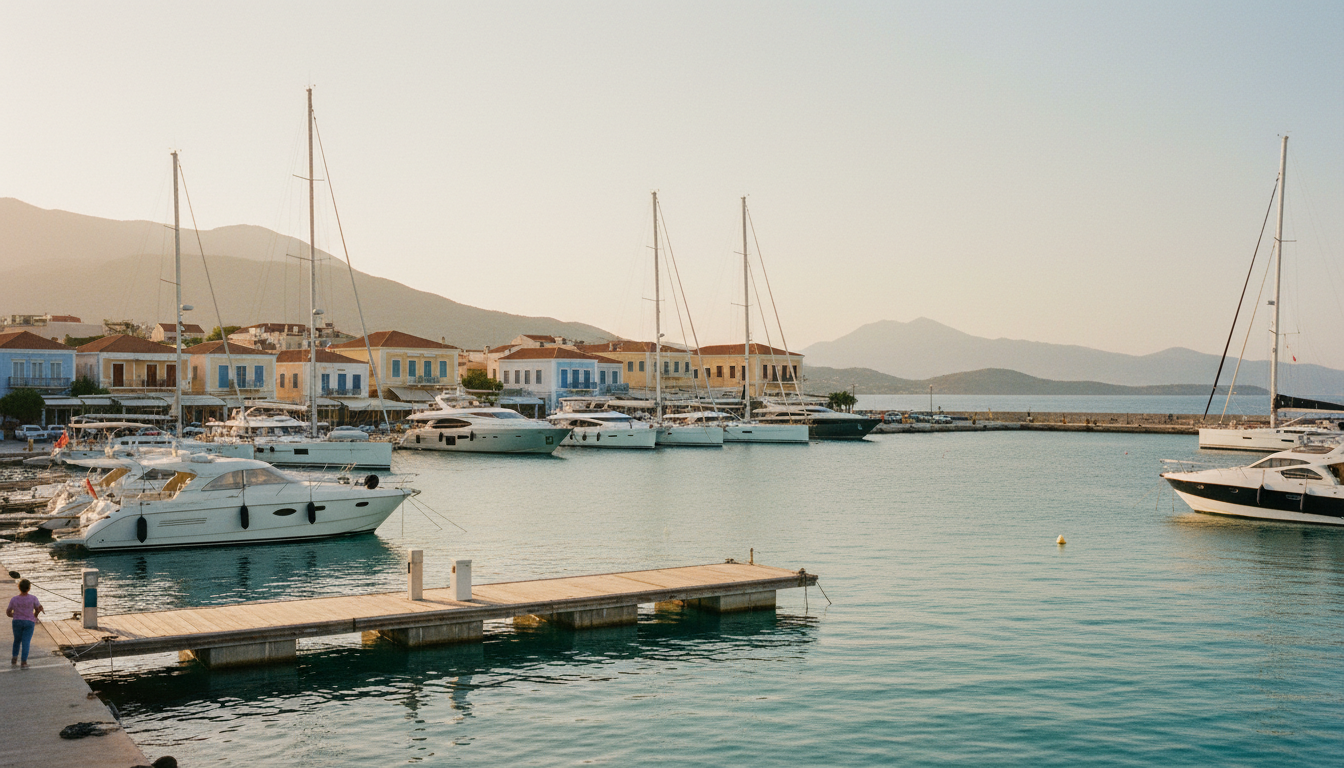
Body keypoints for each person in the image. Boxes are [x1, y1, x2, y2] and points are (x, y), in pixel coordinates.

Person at [7, 579, 43, 667]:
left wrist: (15, 615)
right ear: (29, 588)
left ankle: (14, 658)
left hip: (17, 622)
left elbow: (8, 612)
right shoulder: (33, 598)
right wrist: (35, 615)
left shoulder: (14, 599)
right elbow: (38, 609)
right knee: (26, 642)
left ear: (19, 587)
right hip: (29, 622)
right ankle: (23, 662)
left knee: (17, 641)